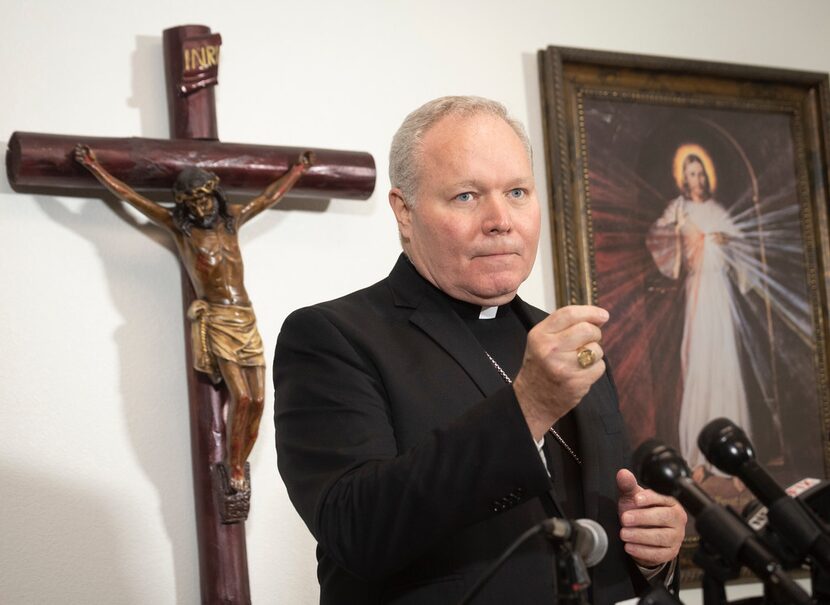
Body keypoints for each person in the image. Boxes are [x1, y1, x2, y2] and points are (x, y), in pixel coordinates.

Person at [274, 97, 685, 604]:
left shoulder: (568, 340)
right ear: (405, 212)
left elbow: (592, 526)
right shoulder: (333, 338)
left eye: (517, 192)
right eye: (467, 196)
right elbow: (354, 530)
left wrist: (654, 554)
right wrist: (526, 408)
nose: (500, 220)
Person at [75, 144, 313, 493]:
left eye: (205, 199)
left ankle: (239, 461)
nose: (201, 207)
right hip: (217, 318)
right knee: (242, 398)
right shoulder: (180, 228)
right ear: (185, 206)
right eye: (193, 203)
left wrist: (297, 172)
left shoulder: (233, 219)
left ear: (215, 195)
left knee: (260, 400)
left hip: (245, 316)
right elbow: (130, 197)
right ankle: (233, 465)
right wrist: (94, 166)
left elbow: (267, 198)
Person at [647, 153, 751, 480]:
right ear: (684, 178)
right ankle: (699, 457)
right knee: (699, 363)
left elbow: (743, 247)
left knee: (725, 364)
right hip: (697, 293)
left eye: (701, 173)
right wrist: (678, 231)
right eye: (691, 173)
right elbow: (657, 237)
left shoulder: (717, 211)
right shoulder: (680, 209)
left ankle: (732, 459)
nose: (698, 179)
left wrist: (727, 241)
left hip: (720, 292)